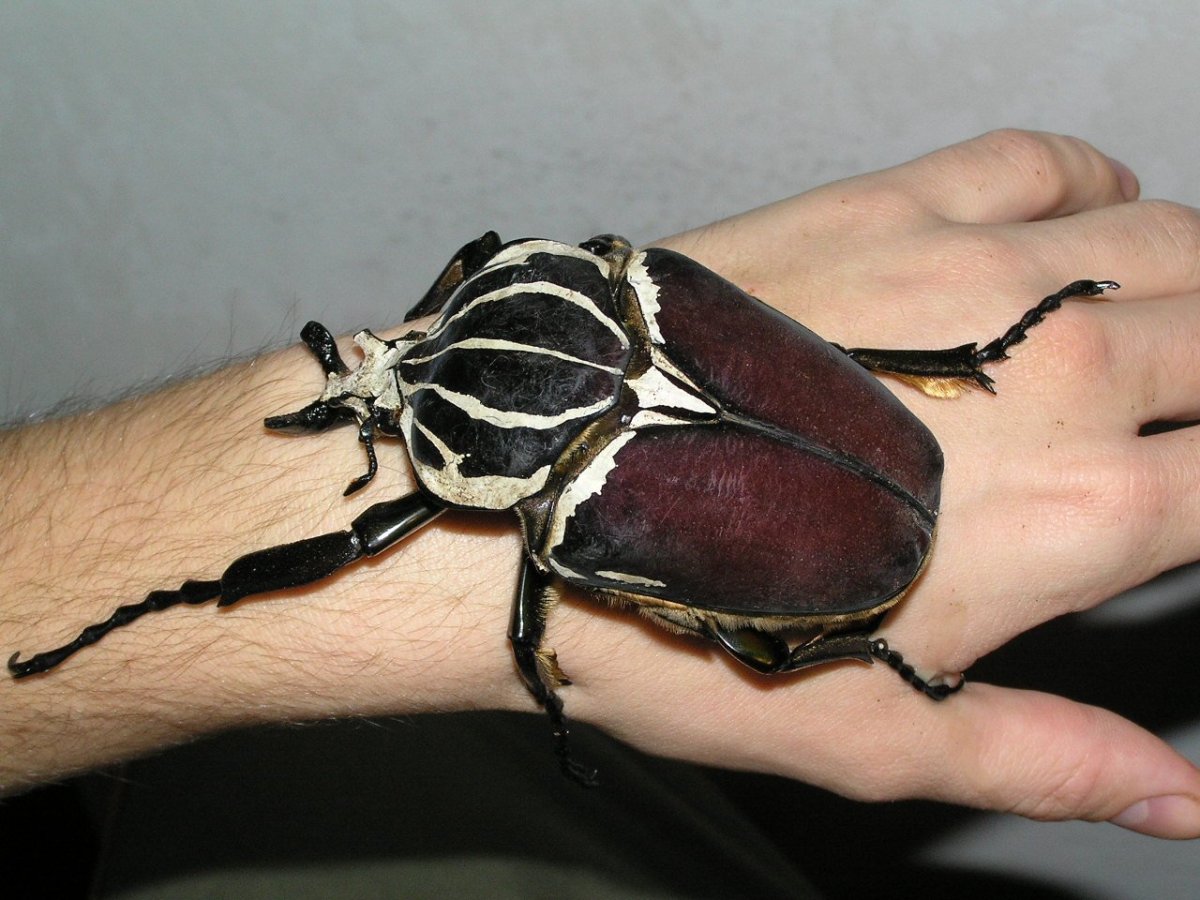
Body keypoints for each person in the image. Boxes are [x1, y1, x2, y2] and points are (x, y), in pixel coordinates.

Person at [2, 130, 1198, 841]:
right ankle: (955, 413)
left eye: (405, 355)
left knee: (762, 656)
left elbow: (523, 626)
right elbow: (479, 258)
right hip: (857, 498)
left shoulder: (568, 519)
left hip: (857, 533)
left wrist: (548, 683)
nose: (388, 366)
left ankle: (879, 597)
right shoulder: (649, 284)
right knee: (751, 647)